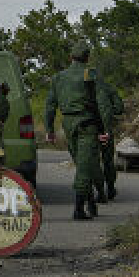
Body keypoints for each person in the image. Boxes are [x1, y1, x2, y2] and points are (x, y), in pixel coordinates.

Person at [44, 41, 114, 221]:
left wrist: (49, 130)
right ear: (87, 57)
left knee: (83, 163)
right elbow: (104, 104)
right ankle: (78, 209)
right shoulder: (90, 74)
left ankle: (90, 203)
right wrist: (106, 128)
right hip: (87, 124)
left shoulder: (58, 77)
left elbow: (50, 106)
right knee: (84, 167)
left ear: (71, 57)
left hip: (68, 125)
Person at [96, 80, 124, 203]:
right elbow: (119, 108)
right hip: (105, 128)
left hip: (88, 128)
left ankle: (99, 191)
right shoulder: (108, 87)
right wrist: (108, 111)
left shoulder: (80, 87)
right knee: (108, 160)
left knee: (92, 161)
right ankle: (110, 188)